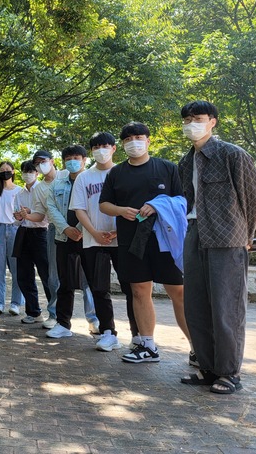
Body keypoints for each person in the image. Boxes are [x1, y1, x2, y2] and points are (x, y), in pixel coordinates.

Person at [178, 101, 256, 394]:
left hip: (228, 239)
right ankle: (207, 368)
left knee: (226, 308)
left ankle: (229, 374)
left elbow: (254, 197)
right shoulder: (185, 161)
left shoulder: (232, 154)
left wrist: (247, 235)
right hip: (194, 234)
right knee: (196, 307)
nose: (191, 123)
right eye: (187, 119)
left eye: (197, 118)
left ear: (212, 121)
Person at [99, 122, 190, 363]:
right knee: (139, 290)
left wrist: (158, 205)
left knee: (178, 292)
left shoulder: (167, 168)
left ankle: (198, 349)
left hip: (165, 240)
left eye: (138, 137)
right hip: (131, 240)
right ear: (122, 145)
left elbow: (183, 201)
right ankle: (147, 345)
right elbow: (104, 204)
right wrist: (121, 210)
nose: (134, 142)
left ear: (149, 140)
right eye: (128, 139)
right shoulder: (116, 173)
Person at [70, 132, 139, 353]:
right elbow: (79, 209)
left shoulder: (125, 173)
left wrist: (117, 232)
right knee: (99, 288)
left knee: (131, 287)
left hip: (122, 240)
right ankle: (108, 332)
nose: (101, 150)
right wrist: (94, 232)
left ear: (114, 148)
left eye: (105, 146)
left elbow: (135, 208)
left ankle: (138, 334)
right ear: (91, 151)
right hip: (94, 241)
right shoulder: (84, 178)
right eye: (96, 147)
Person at [44, 145, 99, 339]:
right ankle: (63, 324)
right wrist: (66, 228)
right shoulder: (57, 184)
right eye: (68, 158)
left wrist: (82, 229)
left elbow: (96, 208)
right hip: (63, 237)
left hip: (89, 237)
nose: (72, 161)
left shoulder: (93, 181)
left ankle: (96, 320)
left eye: (76, 157)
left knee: (91, 281)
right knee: (64, 281)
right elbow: (51, 208)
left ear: (85, 159)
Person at [12, 161, 52, 325]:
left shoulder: (43, 189)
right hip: (23, 233)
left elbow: (47, 216)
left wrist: (30, 212)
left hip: (41, 233)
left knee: (46, 274)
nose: (27, 174)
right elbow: (17, 220)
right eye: (24, 171)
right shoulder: (19, 194)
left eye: (30, 171)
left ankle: (55, 314)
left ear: (37, 173)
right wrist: (18, 216)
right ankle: (33, 312)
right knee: (23, 275)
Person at [27, 149, 60, 329]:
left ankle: (93, 318)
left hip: (79, 228)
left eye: (43, 161)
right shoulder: (39, 188)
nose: (41, 165)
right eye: (37, 163)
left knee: (84, 276)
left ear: (52, 161)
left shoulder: (66, 176)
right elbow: (40, 215)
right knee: (52, 277)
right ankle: (55, 315)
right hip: (53, 230)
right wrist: (26, 215)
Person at [0, 162, 25, 316]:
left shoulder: (20, 191)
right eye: (2, 170)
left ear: (13, 171)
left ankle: (16, 303)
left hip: (14, 229)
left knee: (17, 268)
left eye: (7, 170)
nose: (5, 172)